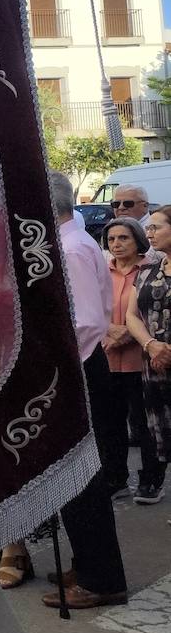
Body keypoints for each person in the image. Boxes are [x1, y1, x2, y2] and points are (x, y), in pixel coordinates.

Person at [38, 171, 127, 609]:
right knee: (74, 476)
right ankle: (89, 562)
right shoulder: (72, 242)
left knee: (81, 475)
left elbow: (86, 322)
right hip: (81, 364)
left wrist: (50, 367)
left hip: (79, 368)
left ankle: (100, 578)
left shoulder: (71, 248)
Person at [102, 216, 164, 503]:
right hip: (107, 357)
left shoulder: (151, 270)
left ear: (137, 239)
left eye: (123, 238)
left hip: (141, 359)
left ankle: (151, 479)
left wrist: (127, 333)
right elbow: (90, 307)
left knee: (144, 424)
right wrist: (108, 332)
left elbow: (149, 309)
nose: (116, 244)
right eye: (112, 239)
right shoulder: (103, 271)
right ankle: (116, 478)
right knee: (110, 423)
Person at [125, 207, 171, 511]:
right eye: (149, 228)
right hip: (155, 367)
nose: (149, 233)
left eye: (156, 227)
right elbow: (132, 315)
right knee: (162, 436)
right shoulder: (147, 270)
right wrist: (151, 344)